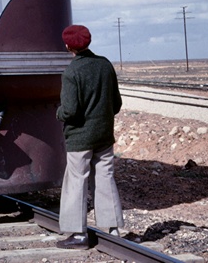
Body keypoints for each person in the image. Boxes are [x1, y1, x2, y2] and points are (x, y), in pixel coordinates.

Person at [55, 24, 124, 250]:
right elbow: (117, 104)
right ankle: (113, 230)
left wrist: (58, 112)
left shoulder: (72, 72)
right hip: (104, 135)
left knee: (76, 181)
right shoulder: (105, 65)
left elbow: (70, 110)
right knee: (105, 177)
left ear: (68, 47)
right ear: (89, 41)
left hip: (79, 139)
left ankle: (77, 234)